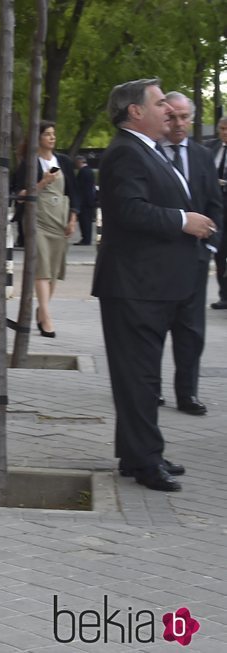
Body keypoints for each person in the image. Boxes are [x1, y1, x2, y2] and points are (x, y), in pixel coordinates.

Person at [93, 78, 216, 492]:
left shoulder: (146, 151)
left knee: (141, 378)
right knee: (140, 378)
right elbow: (130, 211)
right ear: (135, 112)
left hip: (153, 285)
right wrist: (184, 220)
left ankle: (138, 454)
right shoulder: (126, 152)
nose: (168, 110)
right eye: (161, 103)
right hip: (134, 286)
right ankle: (146, 462)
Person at [157, 92, 222, 417]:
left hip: (194, 261)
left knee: (191, 332)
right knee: (153, 330)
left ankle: (188, 394)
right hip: (157, 262)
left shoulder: (201, 155)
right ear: (162, 117)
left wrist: (209, 247)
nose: (179, 123)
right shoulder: (150, 153)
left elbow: (214, 204)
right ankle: (151, 390)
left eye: (184, 117)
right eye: (172, 117)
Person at [12, 121, 80, 337]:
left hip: (59, 219)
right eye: (47, 134)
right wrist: (42, 182)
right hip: (36, 221)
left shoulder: (63, 162)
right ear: (38, 138)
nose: (52, 138)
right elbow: (19, 196)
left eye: (53, 134)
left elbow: (73, 192)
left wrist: (73, 219)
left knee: (53, 270)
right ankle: (48, 317)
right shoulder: (29, 164)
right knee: (42, 266)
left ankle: (41, 311)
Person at [208, 116, 227, 309]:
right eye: (222, 129)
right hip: (217, 209)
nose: (225, 133)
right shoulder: (211, 148)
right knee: (220, 252)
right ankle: (224, 295)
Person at [73, 155, 97, 245]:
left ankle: (85, 239)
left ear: (79, 162)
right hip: (90, 199)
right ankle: (87, 238)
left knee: (84, 221)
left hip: (84, 200)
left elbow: (80, 187)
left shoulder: (83, 172)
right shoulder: (89, 171)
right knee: (88, 220)